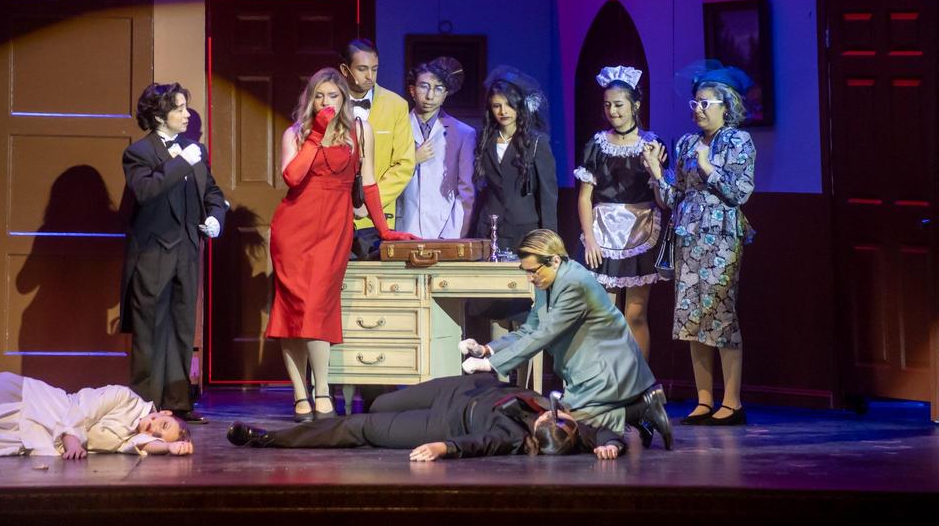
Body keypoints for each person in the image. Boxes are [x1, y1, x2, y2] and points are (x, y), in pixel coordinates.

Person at [266, 68, 416, 422]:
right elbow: (292, 177)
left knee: (317, 308)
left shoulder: (359, 131)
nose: (326, 102)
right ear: (310, 99)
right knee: (292, 313)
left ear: (344, 99)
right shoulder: (296, 133)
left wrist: (384, 230)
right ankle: (301, 395)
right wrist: (317, 134)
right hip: (294, 232)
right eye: (319, 96)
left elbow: (370, 183)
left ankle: (322, 390)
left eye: (332, 96)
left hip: (334, 231)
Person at [460, 229, 672, 449]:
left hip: (610, 369)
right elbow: (530, 329)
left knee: (567, 421)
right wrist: (487, 350)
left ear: (554, 261)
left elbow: (545, 334)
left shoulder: (574, 284)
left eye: (533, 271)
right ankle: (640, 411)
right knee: (562, 419)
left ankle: (639, 410)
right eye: (526, 271)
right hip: (587, 371)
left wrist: (491, 364)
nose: (529, 278)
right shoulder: (547, 282)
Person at [641, 62, 756, 426]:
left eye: (706, 103)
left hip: (721, 236)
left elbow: (740, 192)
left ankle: (732, 402)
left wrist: (708, 168)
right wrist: (657, 174)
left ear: (726, 105)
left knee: (720, 312)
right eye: (695, 103)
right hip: (688, 236)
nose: (698, 110)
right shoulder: (687, 143)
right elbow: (672, 197)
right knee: (693, 316)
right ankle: (704, 399)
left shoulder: (738, 141)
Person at [120, 82, 227, 424]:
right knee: (151, 331)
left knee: (182, 328)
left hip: (187, 251)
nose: (186, 114)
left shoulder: (195, 150)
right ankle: (145, 408)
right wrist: (180, 162)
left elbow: (212, 192)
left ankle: (179, 402)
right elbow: (145, 190)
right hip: (154, 254)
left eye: (185, 107)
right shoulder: (139, 153)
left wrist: (215, 217)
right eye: (178, 109)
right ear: (158, 116)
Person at [226, 373, 626, 460]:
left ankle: (269, 438)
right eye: (559, 416)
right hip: (457, 389)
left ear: (540, 433)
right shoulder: (570, 426)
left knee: (361, 426)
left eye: (550, 420)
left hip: (442, 424)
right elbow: (607, 434)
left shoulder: (511, 436)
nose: (553, 414)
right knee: (378, 403)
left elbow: (477, 444)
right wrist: (611, 446)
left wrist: (442, 447)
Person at [576, 66, 665, 360]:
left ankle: (639, 380)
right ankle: (608, 379)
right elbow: (585, 197)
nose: (612, 111)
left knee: (635, 314)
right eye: (607, 105)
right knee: (606, 316)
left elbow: (663, 201)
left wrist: (655, 170)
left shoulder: (652, 143)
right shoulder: (597, 144)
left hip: (641, 231)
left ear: (635, 105)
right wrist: (590, 239)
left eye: (618, 104)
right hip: (603, 232)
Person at [0, 371, 193, 458]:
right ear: (164, 411)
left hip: (34, 436)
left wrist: (169, 447)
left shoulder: (129, 440)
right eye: (162, 423)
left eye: (158, 434)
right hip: (25, 399)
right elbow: (81, 407)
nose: (153, 428)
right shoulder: (125, 397)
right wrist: (72, 440)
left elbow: (144, 445)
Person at [341, 38, 416, 255]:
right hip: (335, 214)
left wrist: (368, 204)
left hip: (377, 218)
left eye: (374, 69)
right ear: (345, 70)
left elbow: (404, 164)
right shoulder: (330, 102)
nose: (370, 76)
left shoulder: (396, 105)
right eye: (362, 69)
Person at [472, 67, 557, 251]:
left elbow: (547, 196)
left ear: (519, 105)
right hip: (488, 227)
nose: (503, 111)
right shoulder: (484, 140)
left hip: (524, 230)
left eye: (509, 104)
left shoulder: (536, 142)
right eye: (497, 106)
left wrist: (549, 241)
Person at [396, 57, 477, 238]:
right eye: (424, 87)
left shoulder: (463, 133)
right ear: (412, 90)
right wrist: (412, 159)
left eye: (438, 88)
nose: (430, 96)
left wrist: (451, 236)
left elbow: (465, 192)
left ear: (445, 94)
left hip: (444, 228)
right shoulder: (397, 128)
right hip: (403, 226)